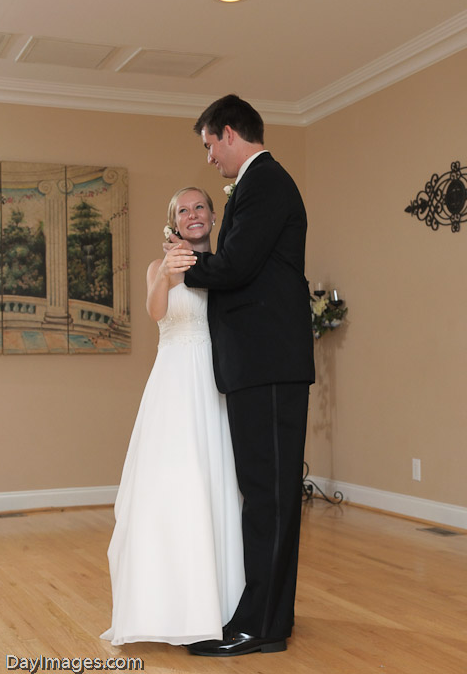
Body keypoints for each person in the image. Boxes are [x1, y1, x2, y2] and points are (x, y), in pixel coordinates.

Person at [166, 94, 315, 656]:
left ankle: (260, 627)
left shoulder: (265, 182)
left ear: (229, 133)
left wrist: (184, 263)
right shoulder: (257, 185)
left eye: (210, 145)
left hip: (268, 364)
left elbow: (235, 267)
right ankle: (269, 618)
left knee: (268, 498)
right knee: (266, 494)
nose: (209, 158)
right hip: (262, 366)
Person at [101, 186, 245, 646]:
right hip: (173, 384)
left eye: (200, 206)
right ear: (174, 222)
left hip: (214, 386)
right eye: (183, 210)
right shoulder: (157, 267)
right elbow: (155, 311)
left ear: (214, 216)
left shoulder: (225, 266)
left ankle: (219, 606)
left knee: (214, 482)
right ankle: (166, 607)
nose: (193, 214)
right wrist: (166, 272)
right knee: (171, 484)